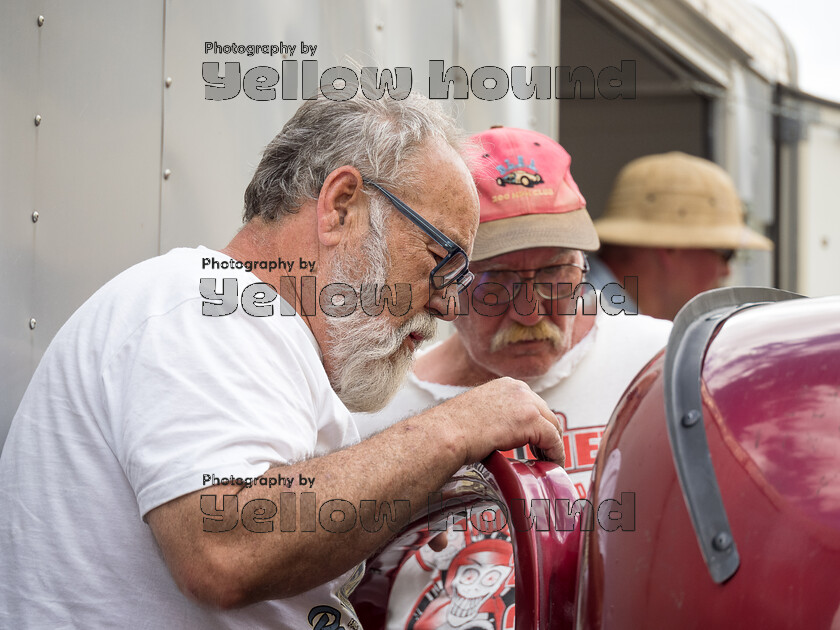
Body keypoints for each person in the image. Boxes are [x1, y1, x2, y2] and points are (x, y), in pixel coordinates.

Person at [0, 95, 567, 628]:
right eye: (442, 258)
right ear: (341, 207)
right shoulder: (204, 305)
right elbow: (225, 548)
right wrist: (453, 429)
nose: (448, 301)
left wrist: (398, 500)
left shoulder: (248, 326)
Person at [355, 127, 672, 630]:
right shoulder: (373, 409)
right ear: (445, 283)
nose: (529, 312)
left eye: (553, 274)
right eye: (496, 282)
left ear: (584, 266)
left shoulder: (661, 365)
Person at [587, 151, 774, 320]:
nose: (727, 271)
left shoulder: (592, 312)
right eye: (726, 253)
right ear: (670, 247)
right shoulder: (587, 322)